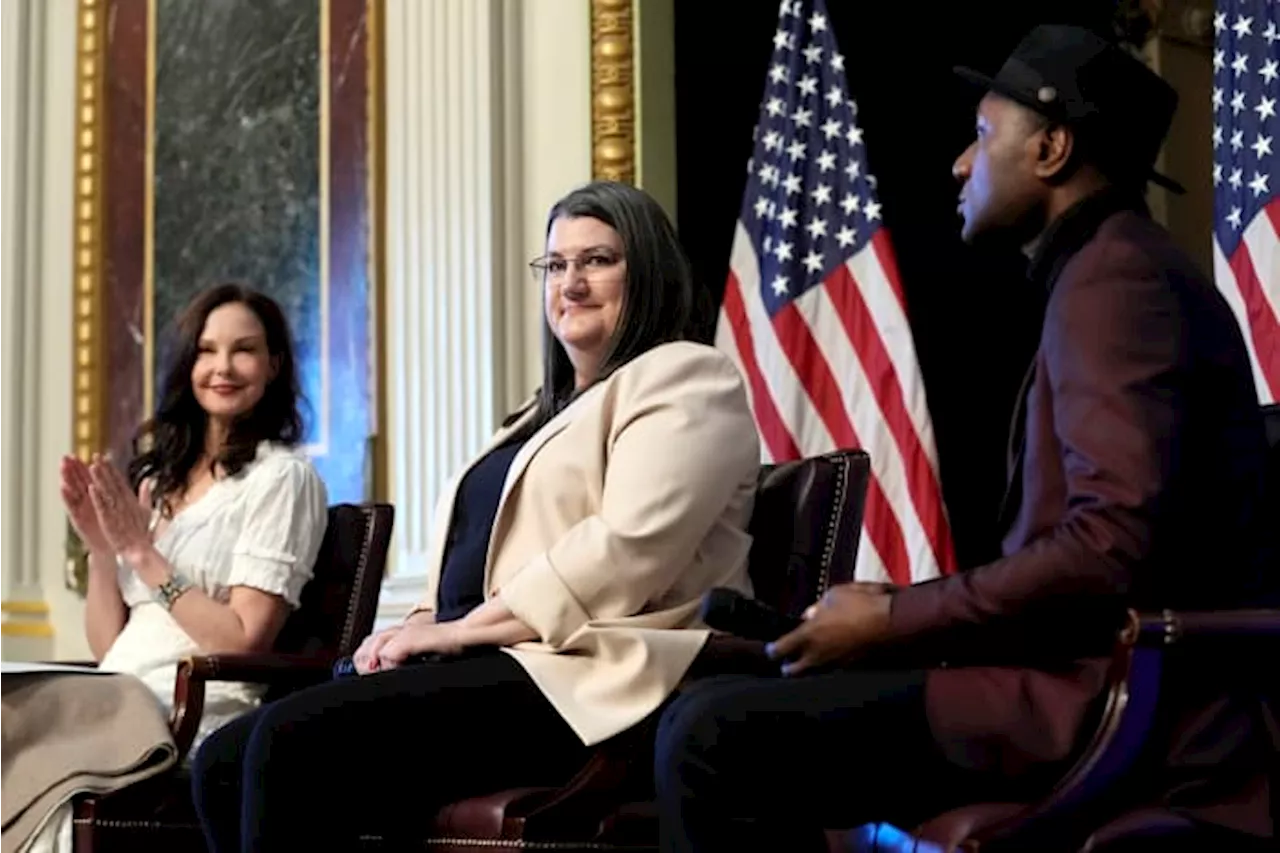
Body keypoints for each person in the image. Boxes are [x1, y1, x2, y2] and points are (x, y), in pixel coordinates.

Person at [653, 24, 1278, 852]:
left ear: (1051, 148)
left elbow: (1108, 545)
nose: (959, 163)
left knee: (708, 738)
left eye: (983, 136)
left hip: (1102, 702)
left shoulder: (1116, 282)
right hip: (1062, 674)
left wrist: (896, 618)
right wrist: (890, 615)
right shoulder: (1108, 269)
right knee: (718, 696)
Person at [188, 180, 762, 852]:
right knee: (222, 761)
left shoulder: (688, 378)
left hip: (592, 676)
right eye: (556, 264)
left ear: (651, 272)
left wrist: (456, 633)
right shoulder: (535, 415)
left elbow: (624, 553)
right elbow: (478, 556)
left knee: (287, 744)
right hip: (497, 663)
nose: (570, 282)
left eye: (598, 260)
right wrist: (420, 624)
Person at [20, 283, 328, 853]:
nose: (223, 367)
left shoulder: (282, 478)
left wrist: (144, 555)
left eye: (244, 350)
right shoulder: (159, 483)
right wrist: (103, 551)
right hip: (119, 687)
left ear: (274, 365)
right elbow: (111, 642)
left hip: (187, 706)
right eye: (207, 350)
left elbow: (246, 638)